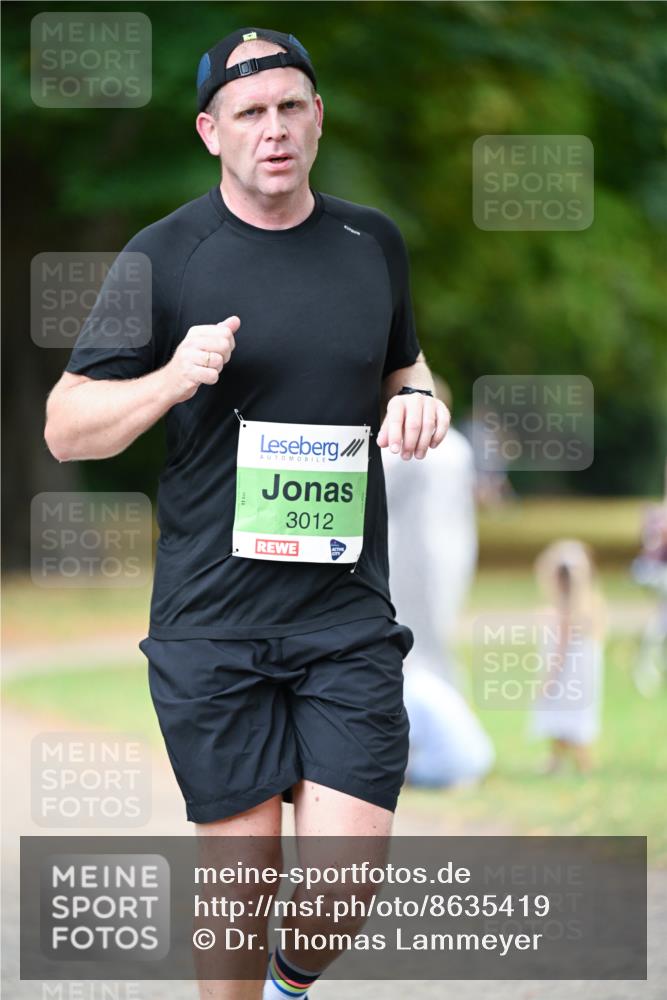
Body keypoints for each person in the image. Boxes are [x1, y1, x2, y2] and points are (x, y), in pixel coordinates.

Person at [43, 26, 450, 1000]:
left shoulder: (370, 243)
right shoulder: (165, 256)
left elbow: (403, 364)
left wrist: (421, 401)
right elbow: (66, 427)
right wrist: (170, 379)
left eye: (290, 107)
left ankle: (289, 983)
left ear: (317, 118)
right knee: (241, 872)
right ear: (210, 131)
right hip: (213, 616)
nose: (274, 129)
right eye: (250, 113)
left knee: (346, 874)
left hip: (344, 610)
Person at [383, 376, 494, 787]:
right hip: (455, 553)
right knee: (438, 645)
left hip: (411, 556)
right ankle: (452, 735)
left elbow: (378, 497)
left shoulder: (406, 447)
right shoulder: (459, 447)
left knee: (410, 648)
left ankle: (422, 742)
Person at [528, 539, 606, 775]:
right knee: (572, 721)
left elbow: (560, 651)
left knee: (563, 718)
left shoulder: (564, 613)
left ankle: (578, 763)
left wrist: (548, 680)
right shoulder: (590, 606)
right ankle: (560, 761)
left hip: (564, 677)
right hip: (582, 679)